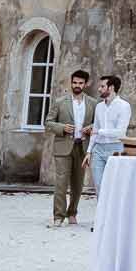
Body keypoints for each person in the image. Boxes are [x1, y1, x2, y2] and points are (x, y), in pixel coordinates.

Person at [42, 69, 92, 226]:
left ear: (86, 84)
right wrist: (62, 127)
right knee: (61, 183)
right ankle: (58, 216)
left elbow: (99, 122)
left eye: (80, 83)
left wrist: (90, 127)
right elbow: (48, 122)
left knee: (78, 184)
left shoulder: (93, 103)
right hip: (63, 146)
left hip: (82, 147)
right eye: (75, 82)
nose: (77, 85)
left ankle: (72, 213)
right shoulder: (60, 102)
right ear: (71, 82)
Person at [90, 74, 131, 184]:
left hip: (116, 149)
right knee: (98, 186)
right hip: (98, 149)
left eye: (102, 86)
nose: (99, 89)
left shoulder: (124, 106)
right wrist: (89, 152)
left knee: (114, 186)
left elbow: (120, 132)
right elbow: (94, 129)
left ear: (111, 88)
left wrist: (100, 132)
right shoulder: (99, 106)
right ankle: (100, 202)